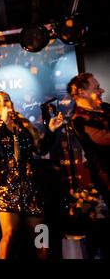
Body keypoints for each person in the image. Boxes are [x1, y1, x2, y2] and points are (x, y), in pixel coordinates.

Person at [0, 91, 63, 259]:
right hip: (5, 187)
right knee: (9, 234)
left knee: (42, 237)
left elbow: (41, 150)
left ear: (11, 103)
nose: (3, 103)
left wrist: (51, 131)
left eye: (6, 100)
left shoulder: (24, 126)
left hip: (30, 187)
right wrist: (2, 122)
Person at [67, 73, 109, 259]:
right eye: (96, 88)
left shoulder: (105, 108)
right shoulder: (80, 119)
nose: (102, 91)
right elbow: (105, 140)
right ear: (81, 92)